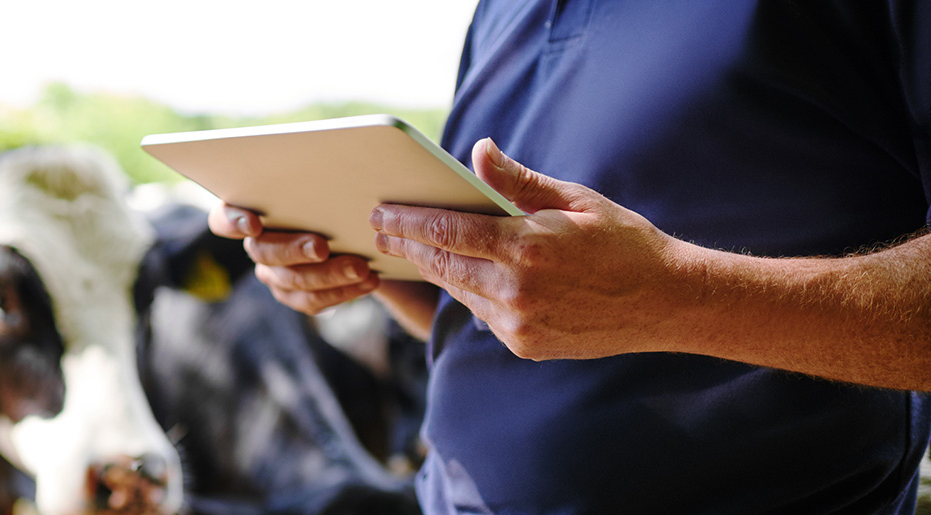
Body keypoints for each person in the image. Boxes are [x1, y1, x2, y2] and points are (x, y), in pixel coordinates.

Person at [209, 1, 931, 513]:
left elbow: (622, 299)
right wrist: (371, 262)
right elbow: (533, 310)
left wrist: (673, 294)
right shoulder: (501, 10)